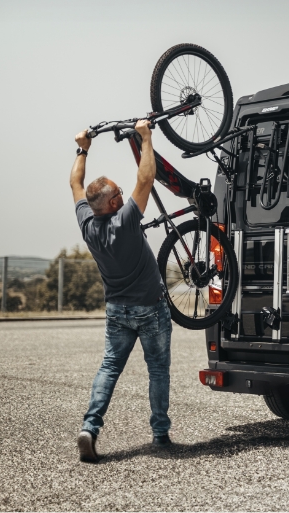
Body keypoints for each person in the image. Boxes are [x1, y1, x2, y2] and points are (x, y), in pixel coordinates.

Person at [70, 120, 173, 463]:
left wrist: (83, 147)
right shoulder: (126, 220)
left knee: (109, 368)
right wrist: (145, 137)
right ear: (114, 203)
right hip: (150, 309)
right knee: (157, 370)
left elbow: (75, 182)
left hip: (117, 310)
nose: (122, 195)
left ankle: (90, 427)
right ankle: (160, 434)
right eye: (118, 194)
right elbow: (146, 179)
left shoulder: (88, 223)